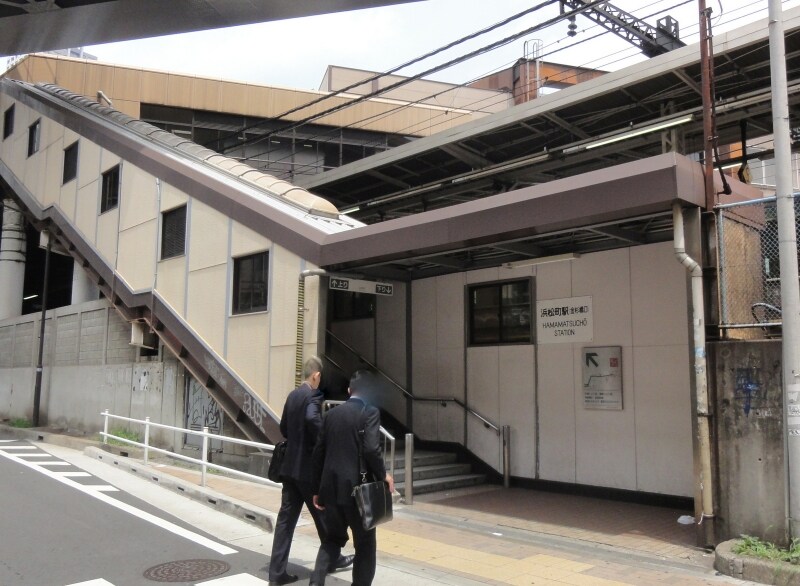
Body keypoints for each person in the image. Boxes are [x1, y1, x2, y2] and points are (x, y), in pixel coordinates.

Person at [268, 356, 354, 585]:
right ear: (316, 375)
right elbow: (312, 420)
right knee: (324, 516)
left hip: (289, 470)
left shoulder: (293, 395)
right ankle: (333, 558)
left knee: (285, 522)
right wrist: (324, 438)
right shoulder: (313, 396)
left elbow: (284, 427)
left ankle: (276, 574)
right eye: (320, 377)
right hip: (308, 472)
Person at [308, 370, 394, 586]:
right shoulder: (370, 412)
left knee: (332, 540)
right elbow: (372, 449)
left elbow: (318, 453)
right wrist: (384, 475)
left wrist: (317, 489)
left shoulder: (330, 415)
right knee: (365, 545)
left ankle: (315, 582)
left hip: (331, 489)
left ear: (349, 391)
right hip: (359, 492)